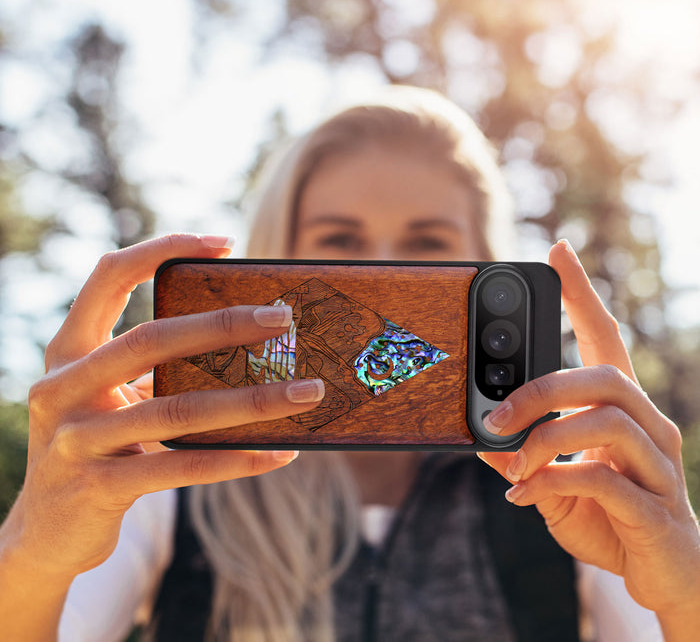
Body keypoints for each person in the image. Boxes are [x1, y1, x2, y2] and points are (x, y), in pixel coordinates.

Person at [0, 87, 698, 642]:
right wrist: (34, 549)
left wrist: (685, 590)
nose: (385, 269)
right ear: (279, 256)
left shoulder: (567, 486)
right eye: (340, 240)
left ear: (487, 265)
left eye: (427, 244)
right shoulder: (171, 478)